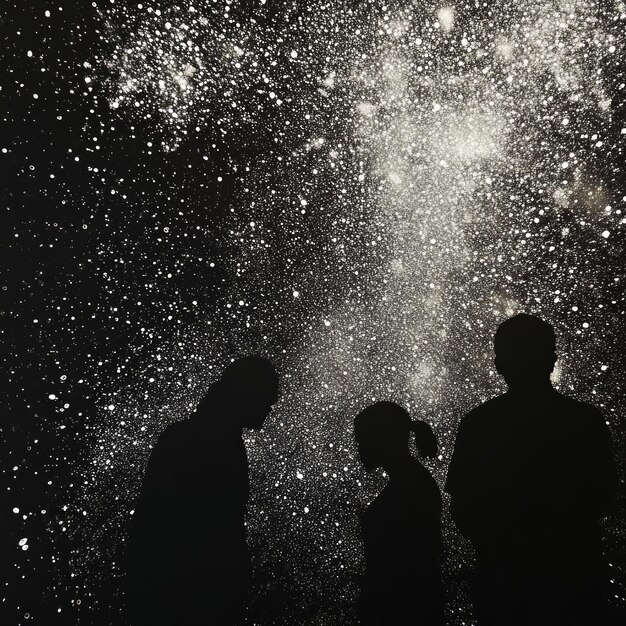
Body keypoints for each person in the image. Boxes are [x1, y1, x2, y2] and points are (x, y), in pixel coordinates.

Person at [445, 313, 617, 626]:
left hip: (504, 582)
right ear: (551, 360)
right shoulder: (585, 421)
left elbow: (462, 507)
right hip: (572, 581)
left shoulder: (479, 424)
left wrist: (502, 545)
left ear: (499, 365)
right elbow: (606, 497)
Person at [126, 356, 279, 626]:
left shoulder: (201, 438)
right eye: (267, 396)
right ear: (247, 393)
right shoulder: (209, 443)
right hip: (189, 594)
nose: (271, 405)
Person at [354, 401, 445, 626]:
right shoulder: (414, 481)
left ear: (381, 439)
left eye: (361, 440)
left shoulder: (408, 487)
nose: (359, 448)